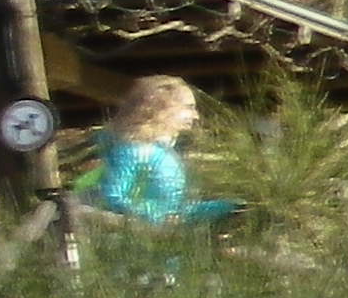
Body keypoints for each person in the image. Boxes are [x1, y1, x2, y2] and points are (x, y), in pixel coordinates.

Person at [83, 75, 238, 229]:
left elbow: (174, 210)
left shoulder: (164, 152)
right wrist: (157, 218)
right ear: (160, 107)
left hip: (163, 243)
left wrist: (229, 207)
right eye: (189, 107)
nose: (196, 116)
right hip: (135, 244)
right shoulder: (134, 150)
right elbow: (112, 197)